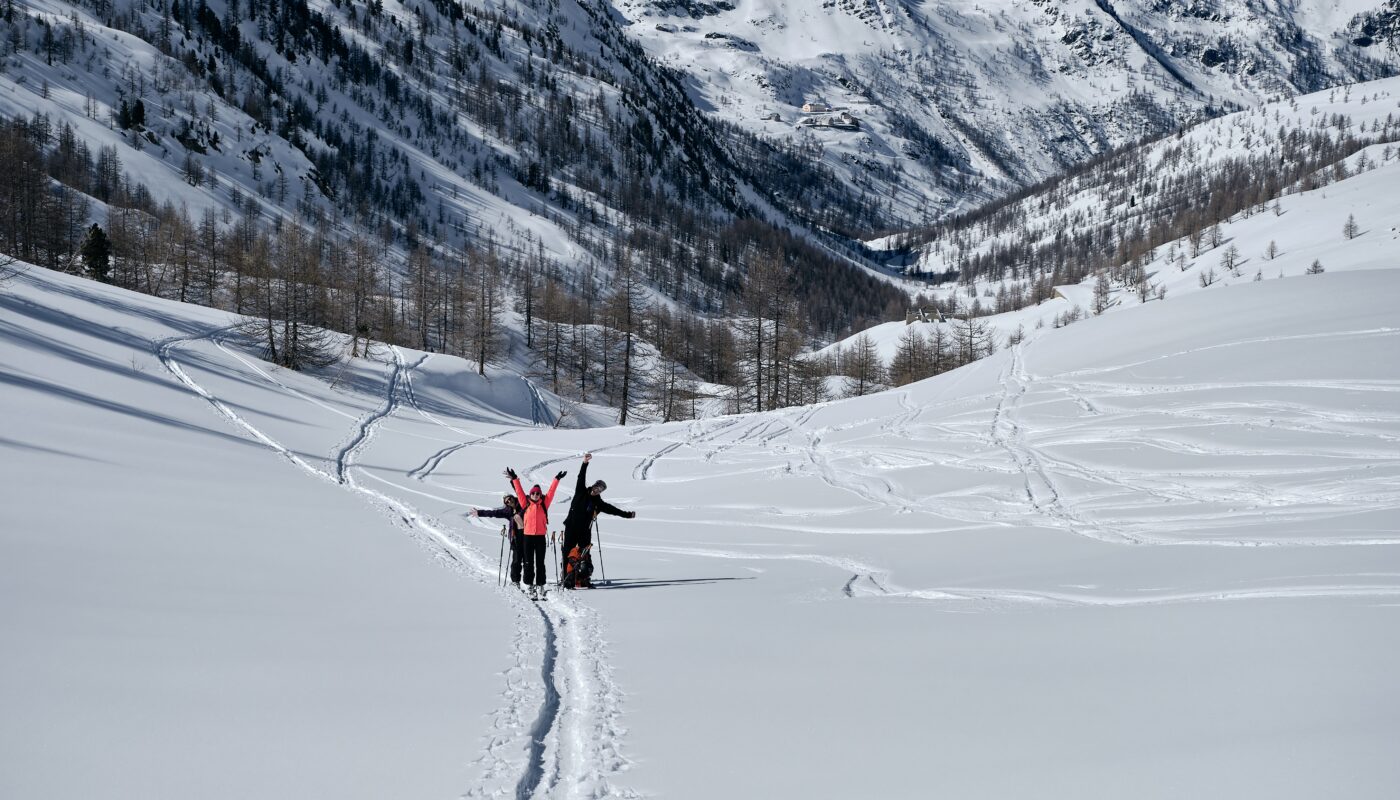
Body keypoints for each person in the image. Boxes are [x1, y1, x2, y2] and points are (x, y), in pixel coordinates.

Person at [561, 453, 635, 588]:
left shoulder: (598, 503)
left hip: (585, 531)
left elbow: (613, 510)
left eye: (601, 489)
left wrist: (627, 515)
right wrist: (585, 463)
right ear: (594, 485)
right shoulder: (581, 491)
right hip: (571, 527)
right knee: (567, 552)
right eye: (597, 486)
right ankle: (566, 579)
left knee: (585, 555)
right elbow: (581, 477)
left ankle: (584, 579)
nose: (597, 489)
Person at [507, 467, 565, 599]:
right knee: (528, 562)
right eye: (533, 493)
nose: (535, 495)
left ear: (540, 495)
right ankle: (529, 586)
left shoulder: (544, 503)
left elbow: (551, 492)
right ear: (530, 494)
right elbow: (519, 491)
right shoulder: (524, 503)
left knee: (540, 562)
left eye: (538, 494)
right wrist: (515, 478)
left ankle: (540, 585)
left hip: (540, 537)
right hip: (527, 537)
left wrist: (557, 479)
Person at [469, 493, 523, 586]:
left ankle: (529, 582)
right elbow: (494, 513)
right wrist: (480, 512)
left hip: (527, 537)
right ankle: (515, 581)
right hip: (515, 539)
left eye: (509, 499)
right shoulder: (508, 511)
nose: (509, 501)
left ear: (513, 497)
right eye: (506, 501)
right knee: (516, 561)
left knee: (528, 561)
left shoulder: (523, 505)